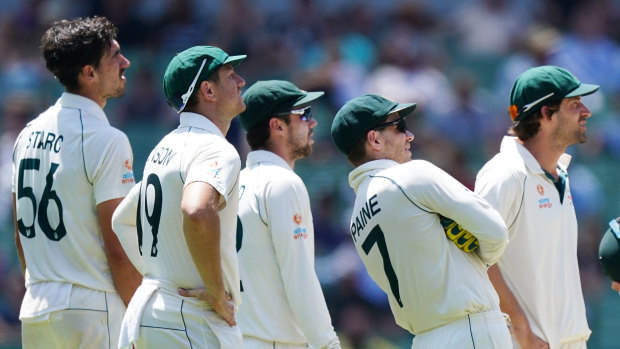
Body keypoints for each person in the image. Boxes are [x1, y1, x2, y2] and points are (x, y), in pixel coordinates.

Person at [330, 94, 511, 348]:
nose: (410, 135)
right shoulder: (411, 176)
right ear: (375, 139)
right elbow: (496, 231)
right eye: (400, 126)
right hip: (469, 329)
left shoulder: (356, 217)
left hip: (424, 339)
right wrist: (477, 258)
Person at [11, 16, 140, 348]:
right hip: (92, 311)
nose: (125, 62)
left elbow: (19, 235)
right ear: (89, 73)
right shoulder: (107, 140)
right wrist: (140, 319)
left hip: (37, 309)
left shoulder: (26, 135)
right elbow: (118, 249)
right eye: (115, 56)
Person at [111, 45, 246, 349]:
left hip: (149, 313)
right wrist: (214, 292)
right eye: (230, 75)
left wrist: (159, 276)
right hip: (191, 320)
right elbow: (197, 210)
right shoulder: (215, 149)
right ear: (208, 90)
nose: (241, 81)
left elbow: (122, 220)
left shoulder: (165, 147)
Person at [475, 65, 599, 349]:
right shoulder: (505, 174)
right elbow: (475, 257)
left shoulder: (560, 175)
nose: (587, 112)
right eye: (575, 104)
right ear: (546, 113)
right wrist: (521, 328)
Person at [235, 80, 341, 349]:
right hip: (274, 341)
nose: (313, 122)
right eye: (304, 114)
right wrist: (328, 344)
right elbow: (300, 278)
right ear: (277, 126)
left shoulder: (234, 183)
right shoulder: (283, 183)